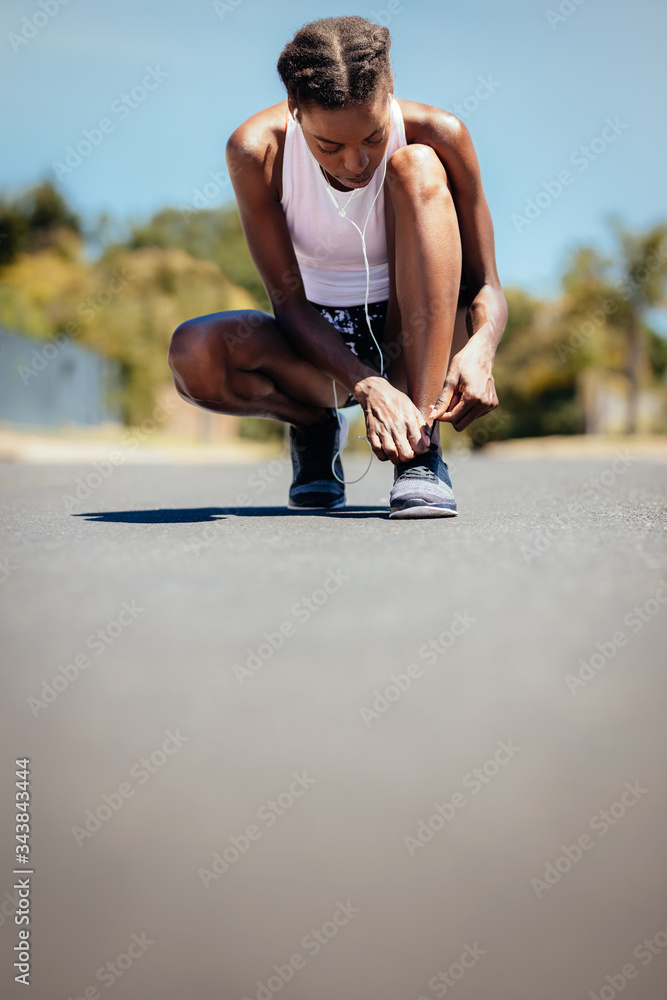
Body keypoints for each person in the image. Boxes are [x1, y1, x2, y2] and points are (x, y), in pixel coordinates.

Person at [168, 15, 507, 518]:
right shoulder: (256, 149)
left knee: (417, 166)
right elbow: (288, 302)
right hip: (320, 348)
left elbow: (486, 288)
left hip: (419, 336)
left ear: (390, 96)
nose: (355, 163)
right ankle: (313, 424)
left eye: (373, 136)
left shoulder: (441, 133)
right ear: (295, 111)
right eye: (330, 146)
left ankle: (421, 451)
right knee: (194, 355)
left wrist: (482, 347)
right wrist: (363, 382)